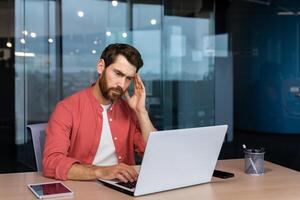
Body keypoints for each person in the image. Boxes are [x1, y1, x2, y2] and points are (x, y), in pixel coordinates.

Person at [43, 43, 156, 182]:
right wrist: (101, 171)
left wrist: (141, 111)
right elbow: (51, 162)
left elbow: (156, 154)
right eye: (118, 73)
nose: (121, 84)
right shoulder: (67, 108)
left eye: (128, 79)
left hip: (122, 189)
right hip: (84, 189)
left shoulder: (129, 111)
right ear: (101, 67)